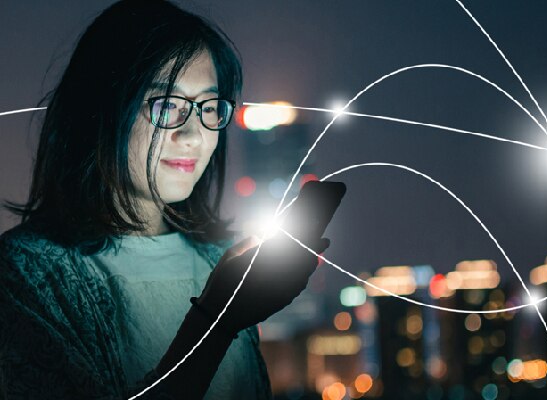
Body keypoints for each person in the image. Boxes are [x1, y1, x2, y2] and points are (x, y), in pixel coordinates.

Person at [0, 0, 329, 398]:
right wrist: (216, 320)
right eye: (167, 106)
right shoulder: (26, 274)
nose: (192, 134)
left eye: (209, 106)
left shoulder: (218, 258)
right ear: (102, 109)